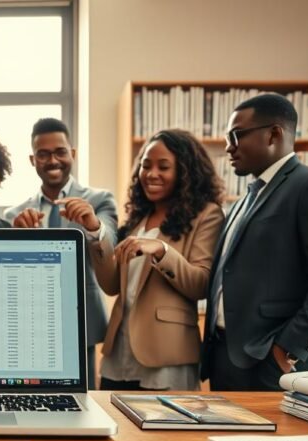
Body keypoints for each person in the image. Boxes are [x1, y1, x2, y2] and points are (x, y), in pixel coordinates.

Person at [201, 93, 308, 390]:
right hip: (226, 359)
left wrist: (288, 348)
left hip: (274, 365)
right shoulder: (244, 200)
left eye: (236, 135)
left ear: (274, 133)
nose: (228, 147)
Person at [86, 129, 224, 391]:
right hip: (120, 352)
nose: (151, 174)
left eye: (164, 166)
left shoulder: (207, 215)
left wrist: (161, 250)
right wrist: (96, 233)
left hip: (166, 355)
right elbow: (113, 285)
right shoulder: (139, 218)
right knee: (117, 431)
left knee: (163, 431)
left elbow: (202, 283)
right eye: (145, 165)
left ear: (185, 172)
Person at [5, 117, 117, 389]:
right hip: (30, 325)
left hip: (83, 322)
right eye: (43, 154)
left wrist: (92, 225)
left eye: (60, 152)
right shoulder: (15, 215)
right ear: (33, 160)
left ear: (73, 154)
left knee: (83, 399)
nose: (52, 160)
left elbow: (111, 244)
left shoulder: (99, 200)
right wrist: (17, 245)